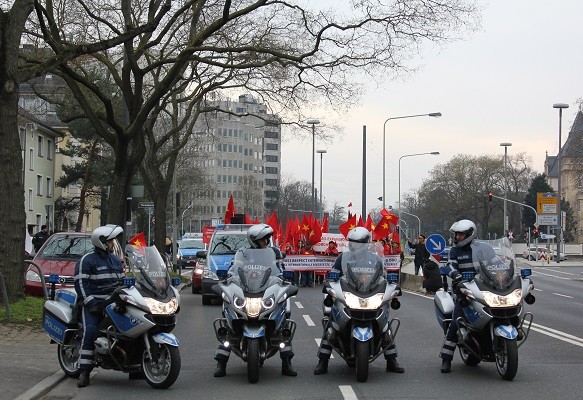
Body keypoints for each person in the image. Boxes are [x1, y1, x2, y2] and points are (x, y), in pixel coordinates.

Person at [314, 227, 405, 375]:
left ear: (365, 244)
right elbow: (334, 275)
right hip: (350, 292)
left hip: (369, 293)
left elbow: (383, 276)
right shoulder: (343, 258)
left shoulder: (375, 258)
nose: (352, 245)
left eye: (356, 243)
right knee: (332, 326)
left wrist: (391, 287)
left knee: (385, 328)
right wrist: (330, 283)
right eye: (351, 242)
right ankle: (322, 362)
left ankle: (392, 361)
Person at [213, 223, 297, 378]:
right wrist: (230, 279)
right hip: (248, 289)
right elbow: (234, 269)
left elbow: (280, 270)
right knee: (228, 322)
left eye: (266, 239)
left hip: (266, 289)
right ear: (253, 240)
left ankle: (287, 363)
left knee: (283, 322)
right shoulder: (243, 253)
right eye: (262, 240)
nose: (265, 242)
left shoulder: (275, 252)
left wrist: (284, 279)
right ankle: (221, 363)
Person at [74, 224, 125, 387]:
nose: (113, 244)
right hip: (94, 305)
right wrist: (91, 304)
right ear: (101, 242)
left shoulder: (116, 260)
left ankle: (135, 367)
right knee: (90, 331)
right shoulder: (86, 261)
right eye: (110, 242)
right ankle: (84, 372)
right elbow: (81, 284)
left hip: (112, 304)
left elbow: (123, 283)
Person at [438, 219, 477, 374]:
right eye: (457, 234)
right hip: (462, 290)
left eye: (461, 234)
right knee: (457, 320)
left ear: (469, 234)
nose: (458, 237)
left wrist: (503, 270)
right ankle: (446, 359)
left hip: (482, 288)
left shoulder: (481, 249)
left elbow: (493, 262)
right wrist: (457, 276)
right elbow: (450, 265)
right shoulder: (455, 251)